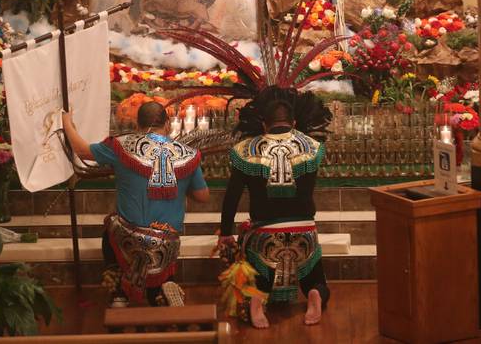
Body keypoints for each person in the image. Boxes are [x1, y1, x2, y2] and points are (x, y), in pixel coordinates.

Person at [62, 101, 209, 306]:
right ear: (167, 124)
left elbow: (82, 151)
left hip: (128, 238)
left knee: (110, 226)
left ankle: (119, 293)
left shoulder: (120, 146)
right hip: (167, 241)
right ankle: (164, 288)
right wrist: (182, 186)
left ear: (137, 124)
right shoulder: (188, 154)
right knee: (161, 260)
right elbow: (203, 196)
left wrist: (67, 122)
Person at [218, 97, 330, 329]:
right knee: (316, 279)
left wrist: (225, 233)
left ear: (264, 125)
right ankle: (314, 294)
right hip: (304, 231)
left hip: (264, 233)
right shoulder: (312, 147)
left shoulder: (245, 150)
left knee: (258, 277)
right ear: (294, 122)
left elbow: (231, 197)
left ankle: (257, 299)